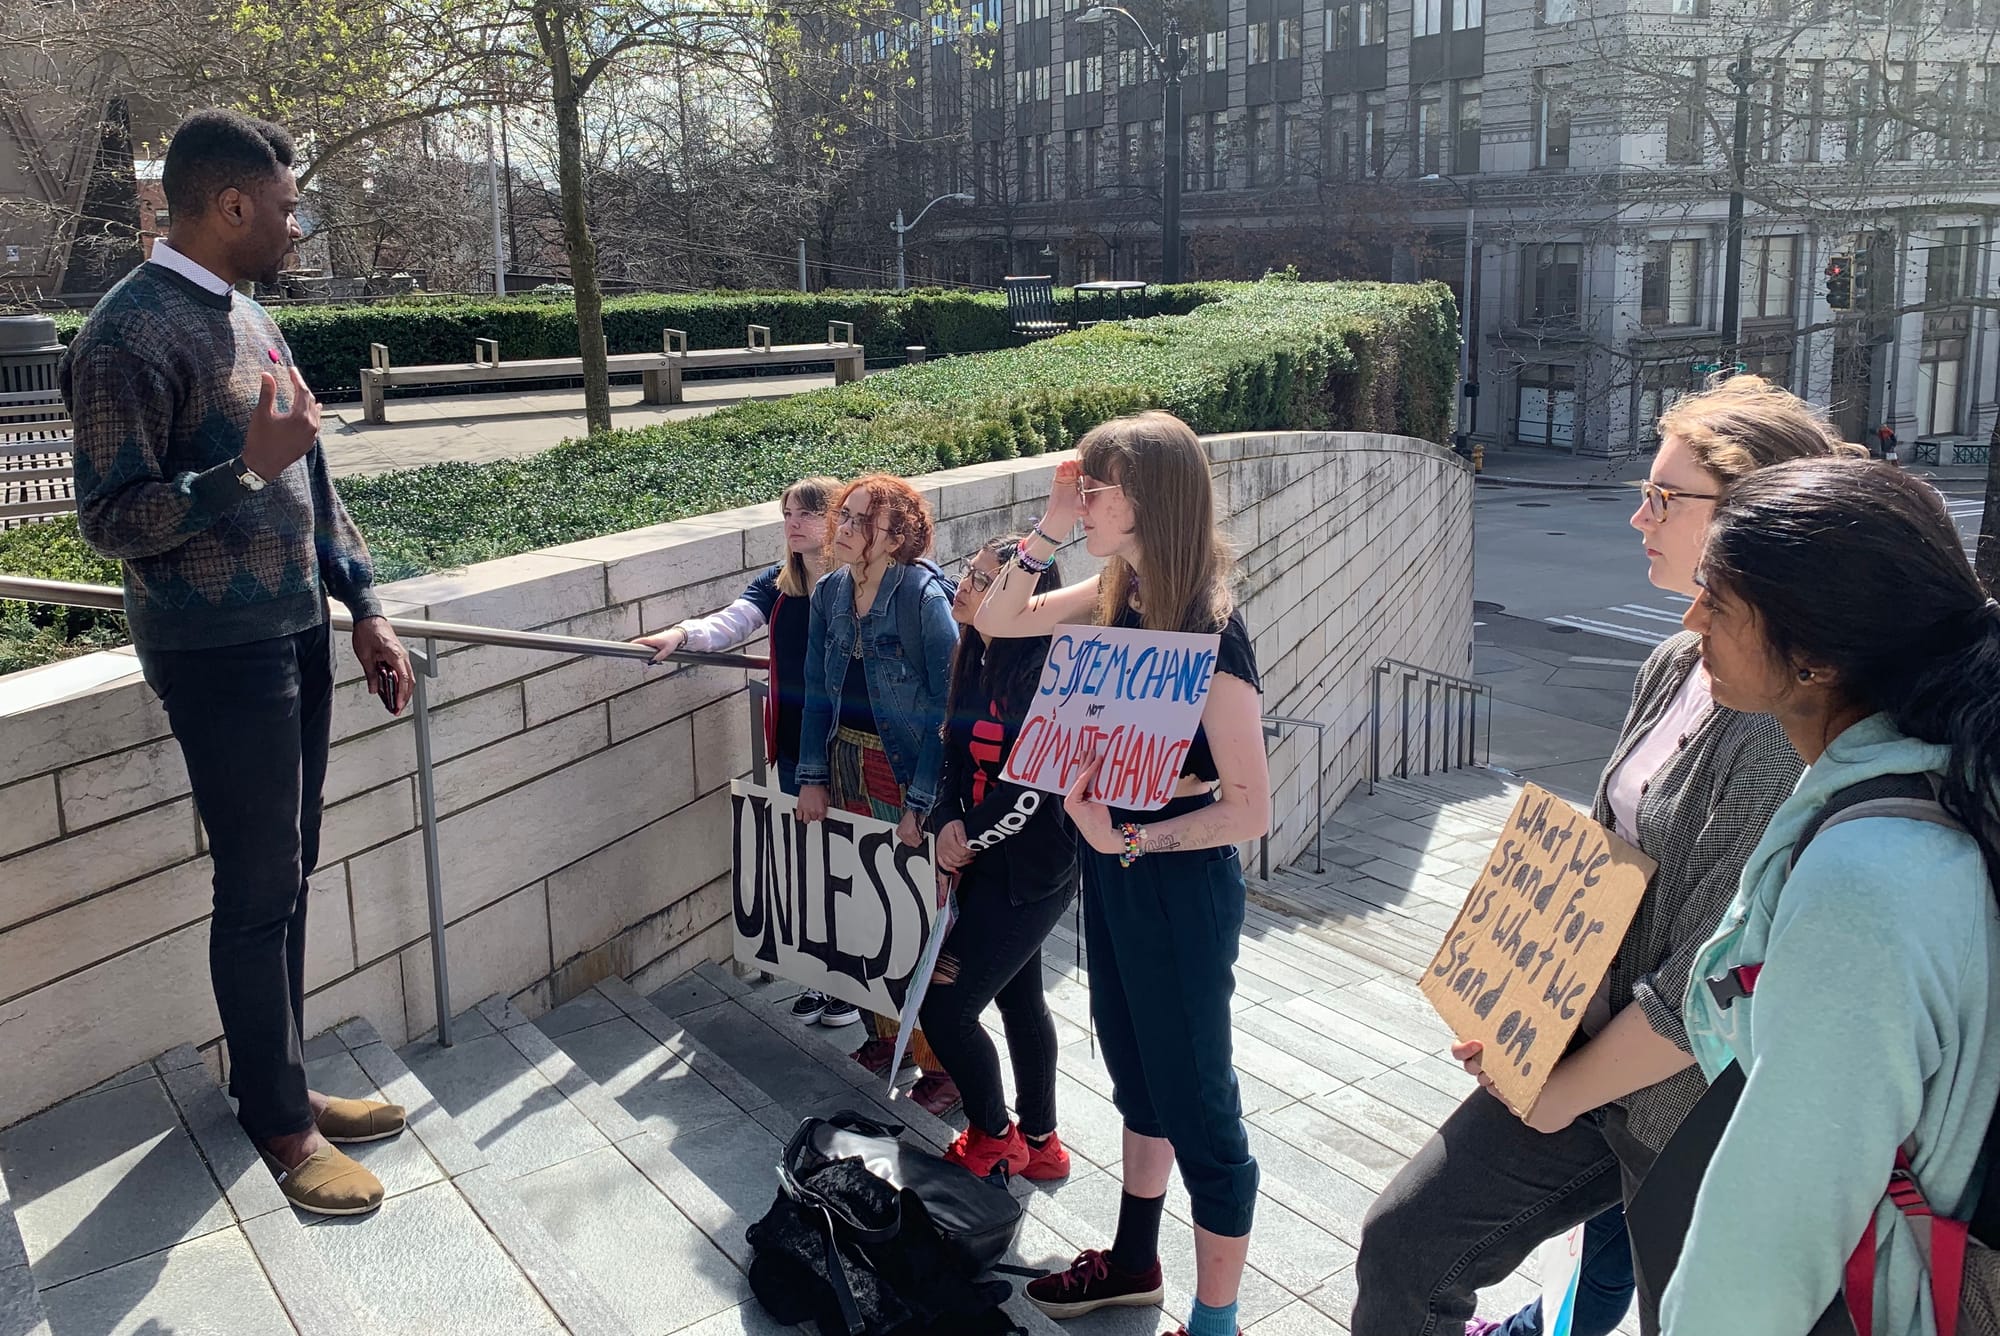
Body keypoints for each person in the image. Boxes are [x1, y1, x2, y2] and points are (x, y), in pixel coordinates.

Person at [1353, 375, 1862, 1336]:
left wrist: (1558, 1091)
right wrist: (1520, 1010)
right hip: (1584, 1050)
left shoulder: (1779, 722)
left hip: (1681, 1107)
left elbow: (1708, 979)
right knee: (1404, 1247)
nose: (1639, 517)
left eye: (1665, 497)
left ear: (1755, 515)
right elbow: (1601, 858)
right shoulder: (1675, 662)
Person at [62, 109, 413, 1217]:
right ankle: (280, 1121)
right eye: (287, 208)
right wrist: (243, 473)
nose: (296, 227)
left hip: (294, 630)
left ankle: (282, 1081)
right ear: (229, 206)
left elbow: (312, 477)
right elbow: (111, 520)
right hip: (215, 653)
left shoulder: (250, 314)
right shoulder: (123, 336)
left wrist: (363, 605)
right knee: (259, 885)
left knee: (289, 873)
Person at [1663, 458, 2000, 1336]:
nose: (1692, 621)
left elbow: (1772, 1235)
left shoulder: (1869, 883)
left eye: (1717, 601)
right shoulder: (1950, 769)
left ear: (1813, 654)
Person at [975, 411, 1270, 1336]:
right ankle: (1135, 1260)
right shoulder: (1119, 590)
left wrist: (1128, 843)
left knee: (1200, 1107)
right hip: (1117, 873)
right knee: (1138, 1074)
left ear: (1148, 499)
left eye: (1096, 489)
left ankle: (1215, 1321)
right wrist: (1051, 526)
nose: (1083, 501)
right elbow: (995, 619)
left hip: (1177, 885)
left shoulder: (1211, 631)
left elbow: (1250, 809)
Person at [633, 476, 859, 1028]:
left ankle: (854, 983)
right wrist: (681, 636)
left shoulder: (861, 581)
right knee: (808, 862)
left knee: (850, 864)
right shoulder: (779, 582)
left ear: (836, 519)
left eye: (808, 513)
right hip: (793, 744)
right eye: (788, 514)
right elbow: (732, 621)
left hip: (853, 745)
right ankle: (822, 977)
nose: (794, 523)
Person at [794, 474, 961, 1112]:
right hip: (845, 762)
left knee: (914, 915)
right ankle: (884, 1038)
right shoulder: (830, 591)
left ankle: (942, 1064)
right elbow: (815, 689)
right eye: (846, 514)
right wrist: (812, 775)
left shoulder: (921, 596)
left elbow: (949, 708)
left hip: (905, 771)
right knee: (860, 908)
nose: (843, 527)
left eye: (862, 520)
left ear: (897, 537)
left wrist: (922, 802)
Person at [920, 535, 1077, 1181]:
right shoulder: (973, 653)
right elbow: (952, 753)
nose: (965, 585)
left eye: (985, 580)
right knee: (1019, 1001)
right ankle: (1040, 1143)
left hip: (1031, 874)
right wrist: (944, 821)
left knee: (945, 1009)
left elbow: (1031, 793)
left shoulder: (1049, 672)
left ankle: (994, 1136)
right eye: (971, 572)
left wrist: (962, 842)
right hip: (983, 857)